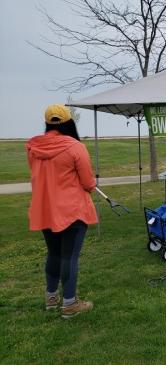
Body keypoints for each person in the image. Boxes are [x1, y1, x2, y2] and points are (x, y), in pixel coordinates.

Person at [26, 104, 97, 318]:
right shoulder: (76, 147)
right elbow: (87, 182)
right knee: (69, 257)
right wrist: (92, 184)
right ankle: (69, 305)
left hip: (45, 209)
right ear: (69, 122)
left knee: (54, 253)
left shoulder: (33, 148)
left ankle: (51, 298)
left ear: (48, 122)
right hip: (72, 211)